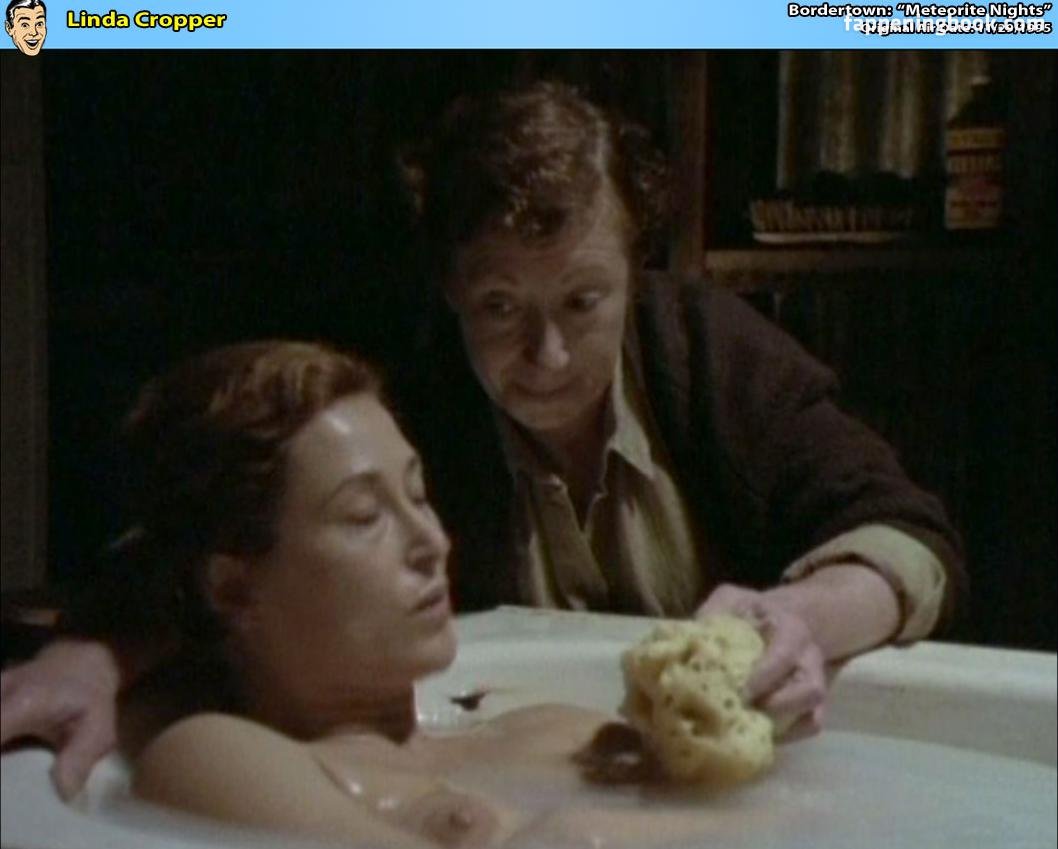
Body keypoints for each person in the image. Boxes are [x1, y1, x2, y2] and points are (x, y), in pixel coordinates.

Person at [0, 80, 966, 801]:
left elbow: (908, 533)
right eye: (501, 306)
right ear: (451, 290)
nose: (547, 354)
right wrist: (95, 653)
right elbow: (217, 538)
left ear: (633, 273)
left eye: (584, 301)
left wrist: (805, 618)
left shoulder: (709, 355)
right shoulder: (417, 401)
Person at [7, 340, 762, 848]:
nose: (433, 541)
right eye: (365, 516)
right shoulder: (211, 754)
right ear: (235, 587)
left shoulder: (552, 727)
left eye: (418, 495)